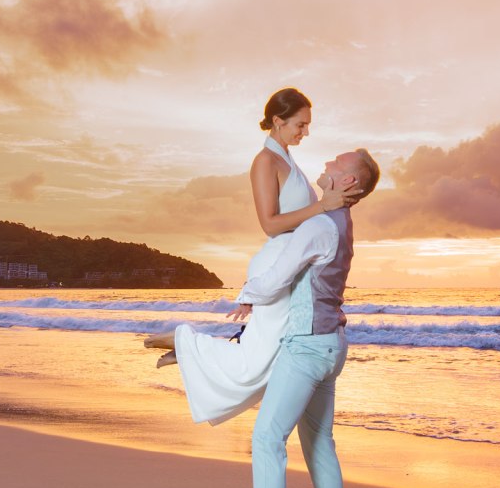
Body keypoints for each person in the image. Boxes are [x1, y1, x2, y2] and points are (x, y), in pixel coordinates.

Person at [214, 147, 380, 488]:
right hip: (333, 347)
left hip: (307, 348)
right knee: (320, 442)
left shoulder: (320, 224)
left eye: (335, 166)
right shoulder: (342, 224)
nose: (325, 166)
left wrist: (247, 293)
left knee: (267, 438)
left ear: (347, 183)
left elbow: (278, 277)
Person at [144, 88, 357, 425]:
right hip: (277, 259)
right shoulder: (264, 162)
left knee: (270, 355)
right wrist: (321, 206)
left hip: (287, 265)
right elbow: (269, 224)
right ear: (278, 121)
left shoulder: (287, 159)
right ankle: (186, 345)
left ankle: (189, 352)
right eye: (300, 125)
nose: (306, 132)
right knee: (258, 359)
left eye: (307, 126)